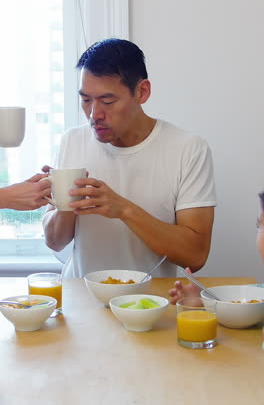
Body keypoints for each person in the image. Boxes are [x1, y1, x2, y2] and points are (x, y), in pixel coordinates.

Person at [42, 38, 217, 278]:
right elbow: (55, 242)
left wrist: (123, 209)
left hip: (150, 305)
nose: (94, 114)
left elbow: (195, 256)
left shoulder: (188, 148)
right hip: (81, 296)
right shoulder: (71, 141)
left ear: (142, 92)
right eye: (85, 100)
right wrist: (66, 202)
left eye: (107, 101)